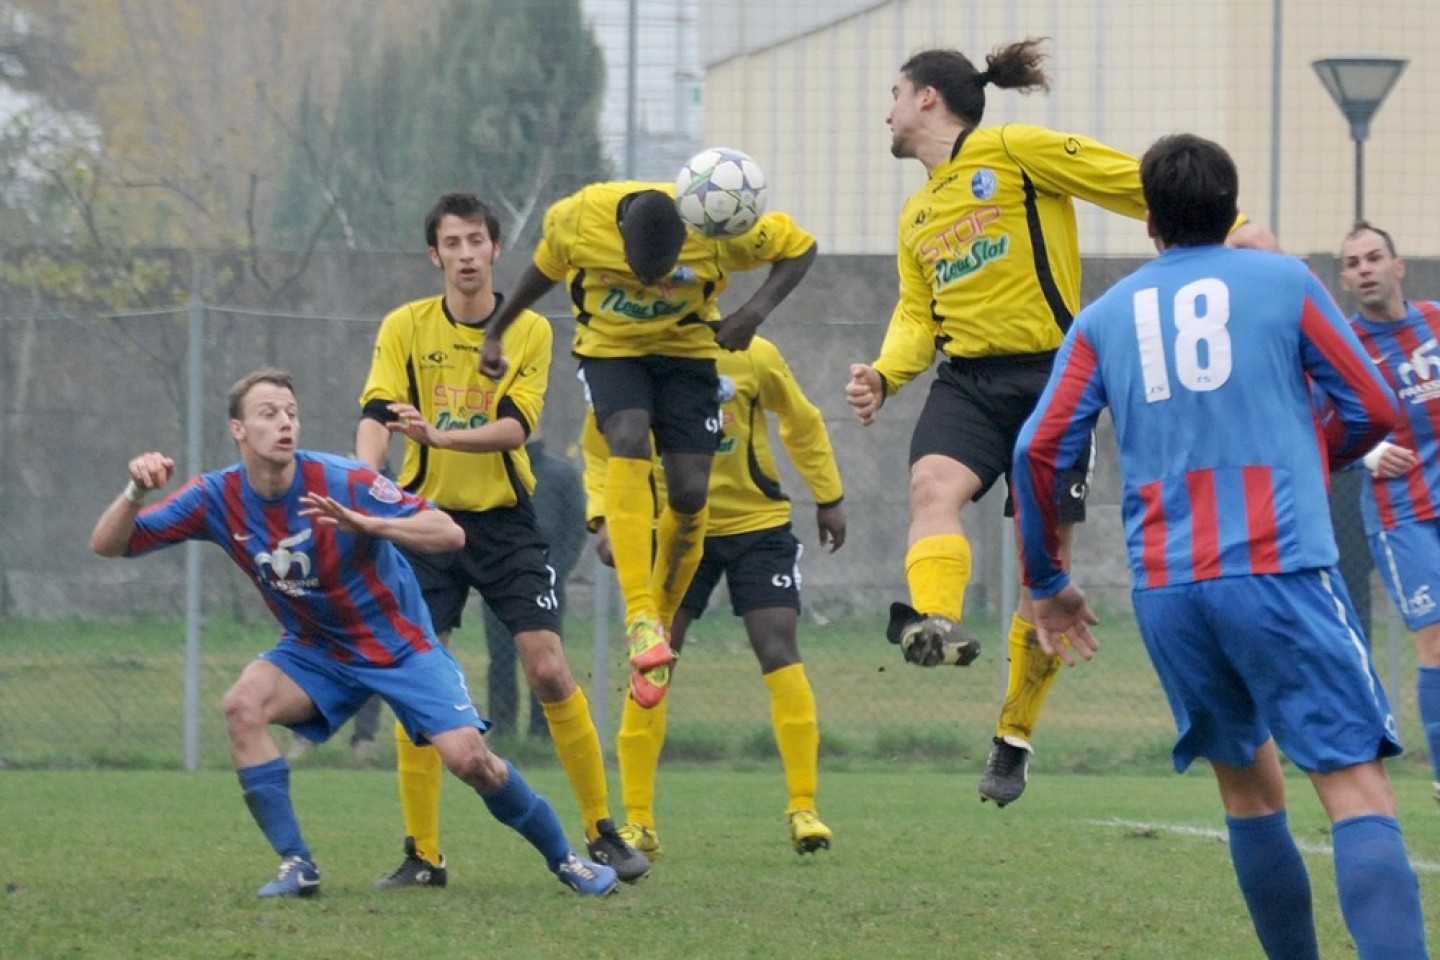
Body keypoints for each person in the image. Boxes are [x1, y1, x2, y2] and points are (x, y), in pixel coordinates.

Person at [1014, 133, 1425, 960]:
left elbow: (1038, 449)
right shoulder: (1283, 281)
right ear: (1230, 209)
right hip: (1280, 570)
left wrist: (1048, 579)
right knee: (1355, 785)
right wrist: (1315, 457)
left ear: (1149, 223)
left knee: (1248, 789)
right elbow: (1376, 409)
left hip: (1170, 590)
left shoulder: (1104, 316)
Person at [844, 38, 1276, 807]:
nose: (884, 111)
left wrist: (1234, 227)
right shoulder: (917, 215)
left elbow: (1123, 179)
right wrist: (885, 372)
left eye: (892, 92)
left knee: (1041, 565)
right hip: (968, 381)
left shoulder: (1014, 151)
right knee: (929, 487)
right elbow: (918, 314)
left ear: (927, 99)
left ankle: (1013, 734)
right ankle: (935, 622)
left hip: (1054, 376)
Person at [89, 368, 618, 899]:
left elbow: (449, 532)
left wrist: (371, 525)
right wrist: (135, 489)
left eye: (291, 413)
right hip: (316, 651)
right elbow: (110, 544)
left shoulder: (343, 480)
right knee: (241, 705)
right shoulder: (216, 495)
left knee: (470, 761)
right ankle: (298, 864)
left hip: (400, 647)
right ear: (238, 430)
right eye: (268, 414)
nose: (284, 424)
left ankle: (567, 859)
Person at [355, 192, 648, 888]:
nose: (464, 254)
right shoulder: (404, 327)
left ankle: (602, 831)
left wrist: (440, 434)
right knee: (419, 683)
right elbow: (373, 412)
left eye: (476, 241)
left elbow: (517, 427)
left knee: (547, 668)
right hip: (425, 523)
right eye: (451, 243)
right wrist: (361, 483)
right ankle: (424, 854)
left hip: (506, 522)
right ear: (435, 255)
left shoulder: (529, 331)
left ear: (494, 251)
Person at [479, 178, 818, 710]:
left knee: (688, 494)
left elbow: (801, 249)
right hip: (611, 352)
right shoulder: (578, 219)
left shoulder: (717, 223)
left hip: (686, 354)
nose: (652, 287)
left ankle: (657, 621)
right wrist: (498, 330)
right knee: (628, 435)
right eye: (642, 276)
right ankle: (640, 618)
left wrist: (753, 313)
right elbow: (544, 268)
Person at [583, 336, 847, 858]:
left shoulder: (755, 355)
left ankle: (804, 807)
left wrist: (829, 495)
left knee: (778, 648)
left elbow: (802, 421)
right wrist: (603, 516)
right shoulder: (637, 359)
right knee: (655, 658)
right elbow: (599, 447)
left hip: (758, 525)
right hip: (674, 528)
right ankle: (639, 821)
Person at [1337, 221, 1440, 799]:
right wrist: (1368, 453)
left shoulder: (1436, 322)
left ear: (1398, 266)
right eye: (1353, 263)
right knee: (1437, 644)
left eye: (1375, 257)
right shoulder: (1345, 347)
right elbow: (1318, 425)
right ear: (1347, 280)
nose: (1366, 268)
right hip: (1402, 514)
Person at [482, 430, 587, 739]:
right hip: (499, 584)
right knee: (500, 660)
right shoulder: (494, 471)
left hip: (546, 588)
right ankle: (503, 731)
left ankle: (543, 733)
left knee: (545, 663)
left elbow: (575, 529)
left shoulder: (561, 475)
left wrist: (555, 573)